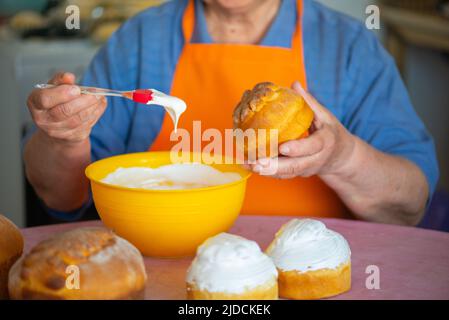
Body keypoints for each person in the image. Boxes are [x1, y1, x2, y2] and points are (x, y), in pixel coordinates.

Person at [23, 0, 439, 225]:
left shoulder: (348, 47)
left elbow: (410, 204)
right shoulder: (140, 39)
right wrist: (63, 137)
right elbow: (60, 195)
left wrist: (343, 157)